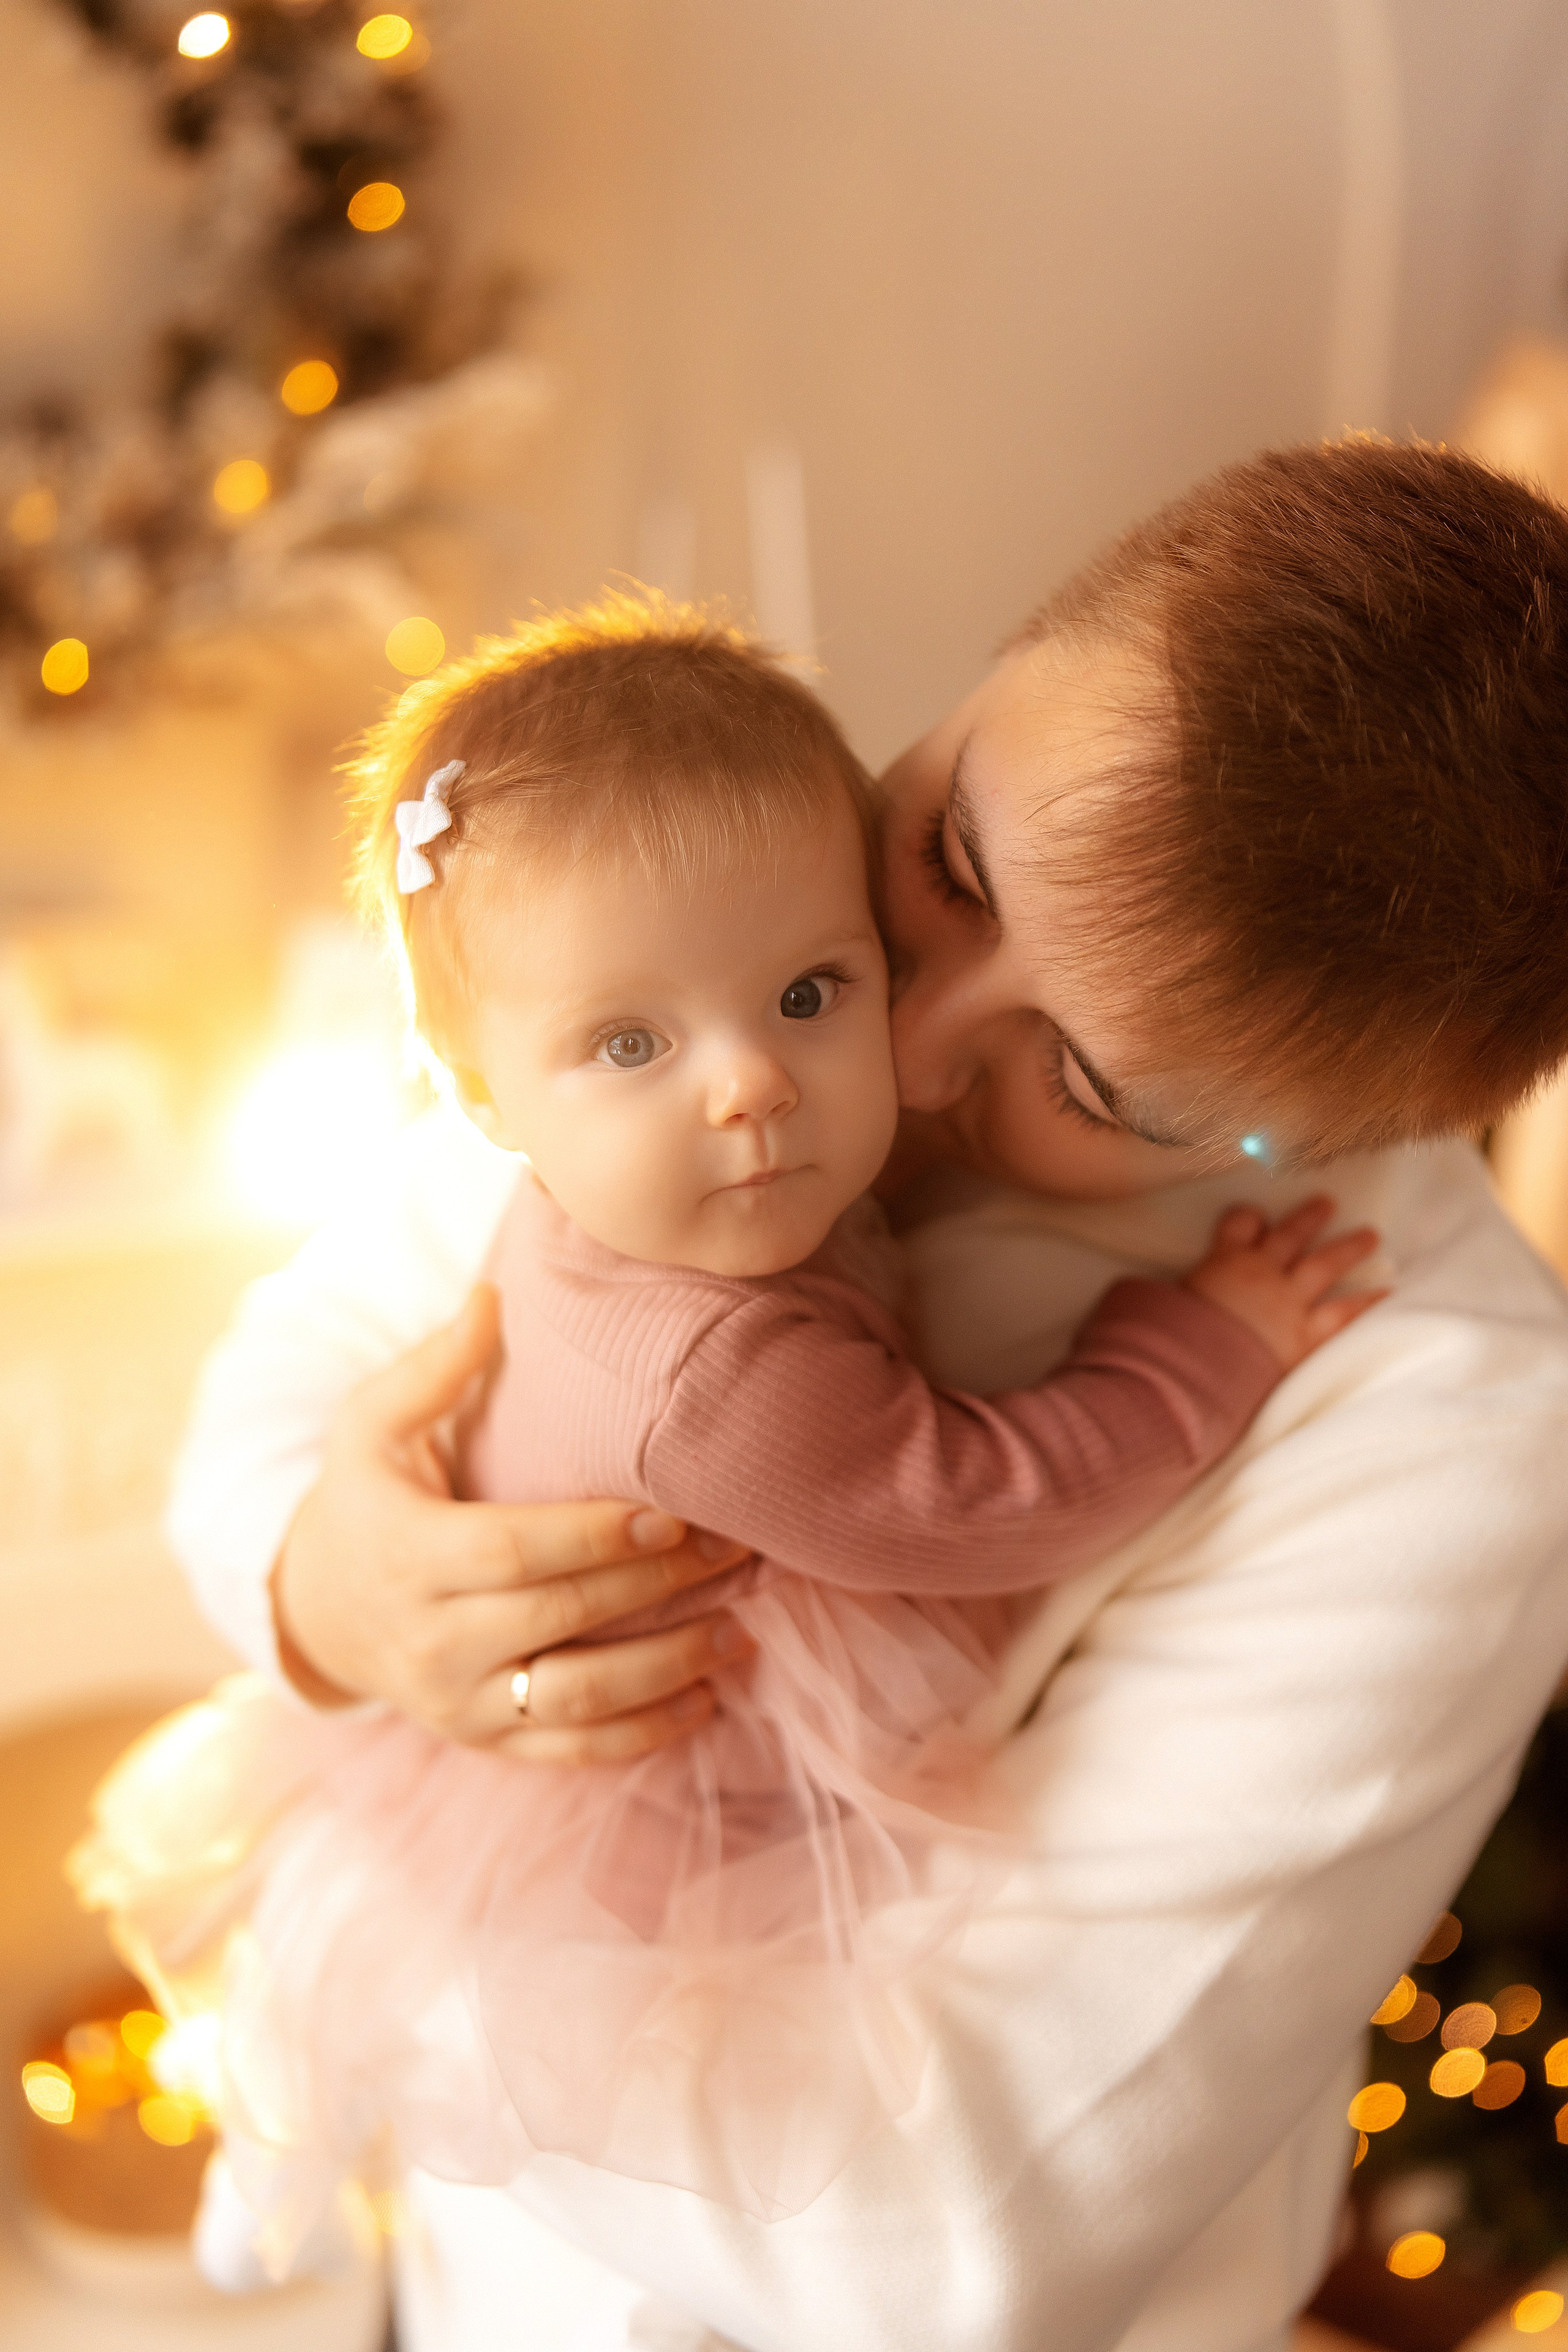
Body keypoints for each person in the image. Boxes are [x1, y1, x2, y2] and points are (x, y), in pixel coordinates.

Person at [164, 441, 1568, 2352]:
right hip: (482, 2284)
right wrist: (325, 1590)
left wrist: (360, 1912)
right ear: (1002, 660)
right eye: (955, 866)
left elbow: (936, 2245)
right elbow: (294, 1367)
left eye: (1093, 1088)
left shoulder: (1455, 1429)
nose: (888, 1056)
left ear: (1326, 1141)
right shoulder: (718, 932)